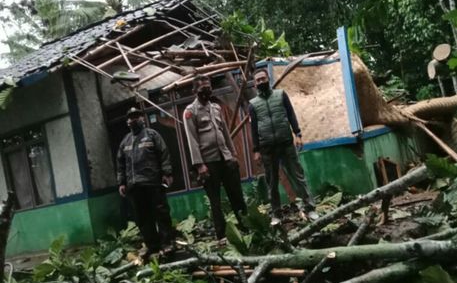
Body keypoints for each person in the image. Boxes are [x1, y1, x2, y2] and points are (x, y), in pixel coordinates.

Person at [249, 68, 318, 225]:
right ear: (254, 84)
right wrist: (256, 150)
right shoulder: (253, 105)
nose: (261, 82)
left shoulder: (281, 95)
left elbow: (291, 114)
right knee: (272, 183)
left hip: (286, 143)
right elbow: (253, 129)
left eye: (263, 78)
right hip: (267, 148)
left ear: (268, 79)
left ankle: (310, 208)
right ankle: (276, 214)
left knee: (298, 176)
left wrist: (298, 134)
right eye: (258, 80)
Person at [183, 75, 247, 243]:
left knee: (236, 195)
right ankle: (221, 235)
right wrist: (199, 165)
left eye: (209, 87)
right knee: (215, 201)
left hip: (225, 158)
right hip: (208, 162)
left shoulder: (216, 108)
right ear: (194, 91)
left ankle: (246, 227)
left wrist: (233, 154)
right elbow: (192, 140)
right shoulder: (190, 111)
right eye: (203, 88)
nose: (207, 90)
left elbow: (225, 132)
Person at [117, 107, 175, 259]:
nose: (133, 120)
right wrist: (122, 183)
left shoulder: (152, 135)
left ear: (142, 119)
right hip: (134, 186)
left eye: (136, 116)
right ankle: (152, 246)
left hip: (153, 182)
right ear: (127, 121)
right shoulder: (125, 141)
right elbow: (121, 164)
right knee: (142, 217)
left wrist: (167, 173)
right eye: (130, 118)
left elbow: (164, 154)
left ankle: (167, 244)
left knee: (161, 213)